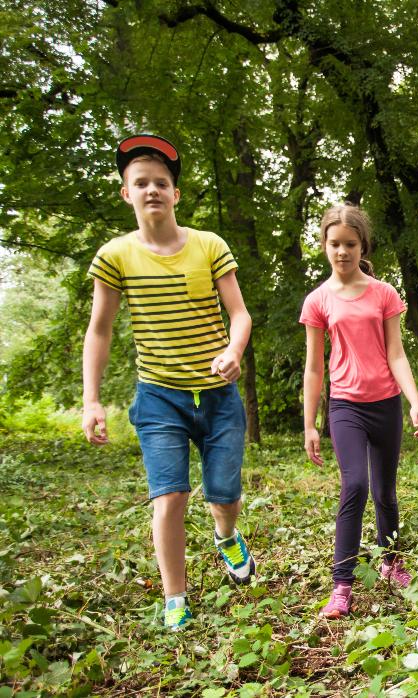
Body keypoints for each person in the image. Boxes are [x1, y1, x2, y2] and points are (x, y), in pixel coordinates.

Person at [82, 134, 255, 631]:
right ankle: (174, 597)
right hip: (158, 396)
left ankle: (226, 534)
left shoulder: (209, 246)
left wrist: (232, 350)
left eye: (161, 182)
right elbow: (100, 329)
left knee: (223, 495)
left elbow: (239, 314)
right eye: (141, 183)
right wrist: (91, 400)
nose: (152, 189)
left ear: (175, 194)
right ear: (126, 193)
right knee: (170, 497)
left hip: (219, 395)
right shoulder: (115, 256)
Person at [300, 204, 418, 619]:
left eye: (350, 244)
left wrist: (414, 401)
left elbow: (397, 353)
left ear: (362, 246)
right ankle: (342, 585)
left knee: (384, 491)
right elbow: (314, 367)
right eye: (334, 244)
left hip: (386, 404)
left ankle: (391, 563)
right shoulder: (318, 300)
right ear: (324, 245)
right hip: (346, 407)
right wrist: (309, 425)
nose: (342, 251)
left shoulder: (384, 293)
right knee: (354, 484)